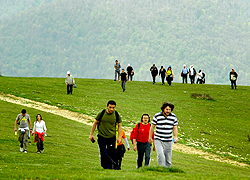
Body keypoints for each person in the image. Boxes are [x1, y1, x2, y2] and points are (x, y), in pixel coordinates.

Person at [89, 100, 122, 169]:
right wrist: (91, 134)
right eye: (110, 107)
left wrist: (119, 137)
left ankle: (110, 168)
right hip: (102, 137)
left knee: (111, 153)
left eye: (113, 107)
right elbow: (95, 123)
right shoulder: (102, 113)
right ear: (107, 106)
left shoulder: (116, 114)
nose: (111, 109)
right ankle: (104, 167)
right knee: (103, 152)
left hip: (112, 137)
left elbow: (119, 126)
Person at [149, 102, 178, 168]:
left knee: (168, 157)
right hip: (158, 139)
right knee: (160, 155)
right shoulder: (157, 116)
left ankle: (167, 169)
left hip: (168, 139)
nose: (168, 111)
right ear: (163, 109)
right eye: (166, 109)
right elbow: (152, 127)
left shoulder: (173, 117)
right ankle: (161, 168)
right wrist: (150, 137)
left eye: (169, 109)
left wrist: (175, 137)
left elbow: (175, 127)